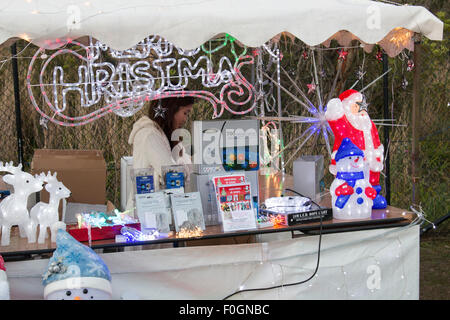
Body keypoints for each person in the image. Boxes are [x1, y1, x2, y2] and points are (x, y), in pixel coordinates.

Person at [126, 96, 194, 210]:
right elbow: (172, 173)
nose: (185, 119)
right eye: (185, 113)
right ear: (172, 109)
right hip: (147, 213)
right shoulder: (150, 135)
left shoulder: (165, 135)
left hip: (159, 209)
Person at [325, 89, 387, 209]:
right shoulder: (345, 124)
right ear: (347, 107)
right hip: (352, 162)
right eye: (356, 105)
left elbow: (376, 139)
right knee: (353, 181)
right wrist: (335, 111)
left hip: (372, 159)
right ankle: (350, 198)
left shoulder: (370, 124)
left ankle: (373, 195)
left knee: (373, 176)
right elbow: (336, 123)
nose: (361, 109)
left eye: (362, 105)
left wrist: (378, 152)